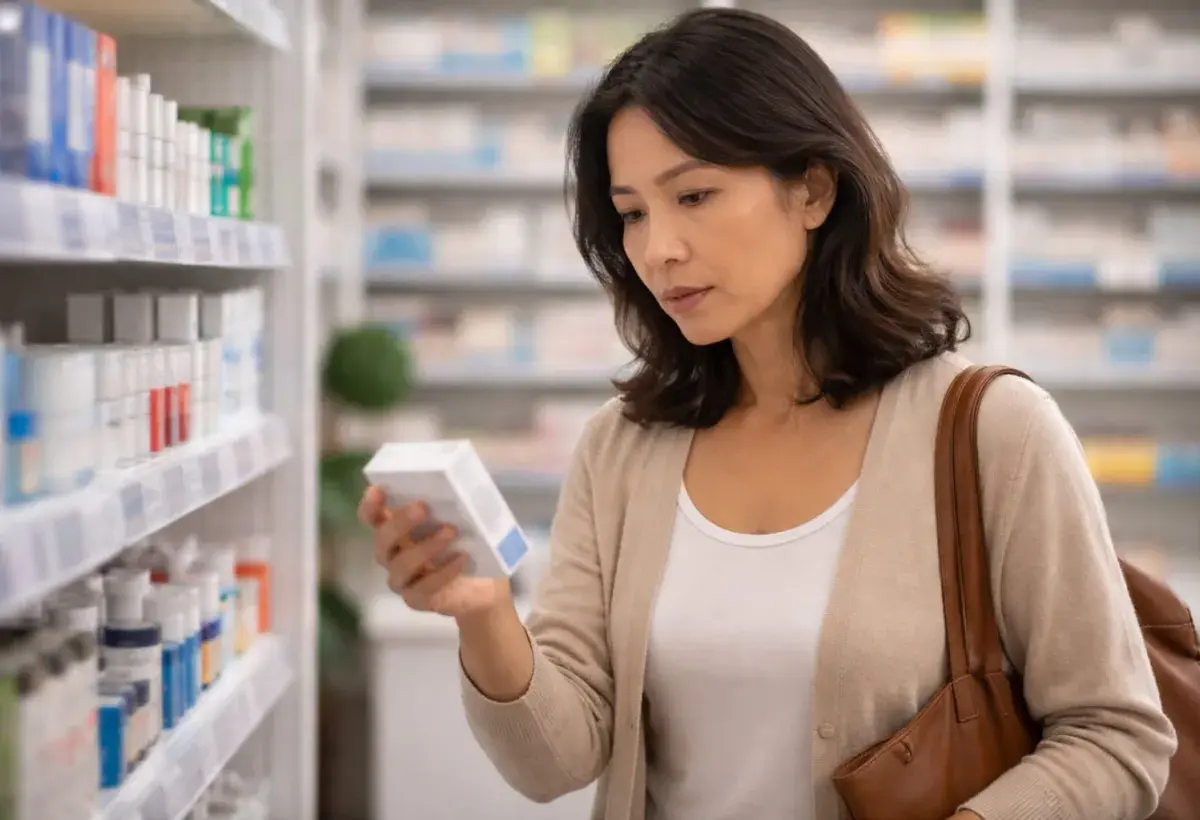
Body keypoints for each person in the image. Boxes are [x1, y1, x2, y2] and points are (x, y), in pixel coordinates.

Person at [358, 8, 1176, 820]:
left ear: (813, 189)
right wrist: (486, 615)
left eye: (696, 194)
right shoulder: (623, 448)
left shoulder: (994, 430)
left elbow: (1115, 735)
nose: (659, 248)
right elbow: (557, 760)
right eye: (634, 211)